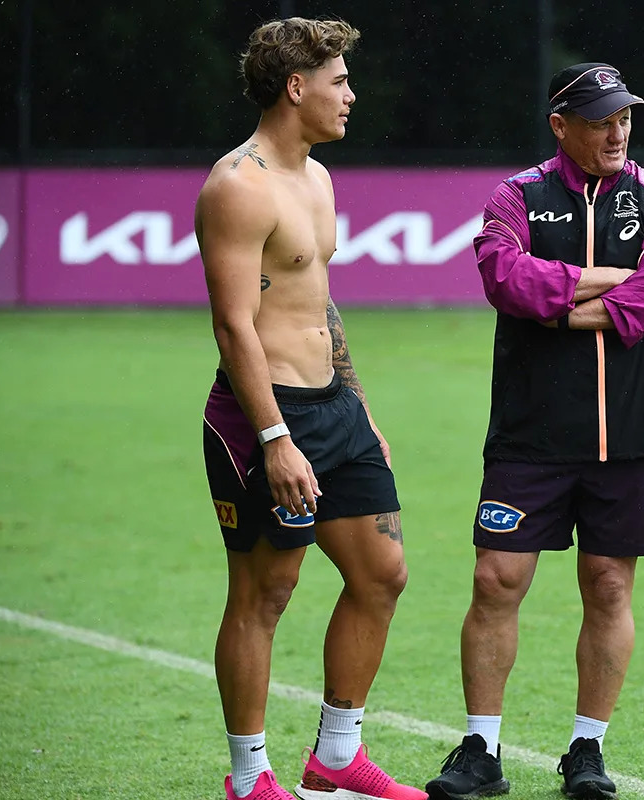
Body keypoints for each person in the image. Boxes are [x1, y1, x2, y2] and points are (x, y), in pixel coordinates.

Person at [422, 63, 644, 800]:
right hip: (530, 436)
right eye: (603, 119)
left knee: (608, 586)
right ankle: (481, 750)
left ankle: (587, 750)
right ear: (560, 126)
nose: (618, 131)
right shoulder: (516, 196)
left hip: (635, 434)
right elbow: (504, 279)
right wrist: (612, 278)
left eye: (626, 118)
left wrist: (563, 297)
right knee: (495, 580)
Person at [196, 18, 425, 800]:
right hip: (263, 420)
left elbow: (317, 305)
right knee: (267, 591)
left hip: (334, 410)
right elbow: (235, 325)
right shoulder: (237, 185)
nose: (351, 96)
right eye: (339, 82)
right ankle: (249, 775)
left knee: (382, 573)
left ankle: (334, 755)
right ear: (297, 88)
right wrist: (275, 438)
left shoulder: (319, 179)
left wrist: (360, 409)